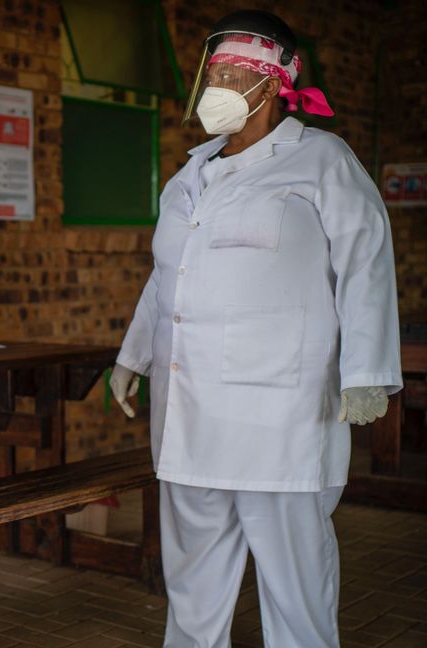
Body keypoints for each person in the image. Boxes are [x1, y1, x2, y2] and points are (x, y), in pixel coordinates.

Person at [109, 11, 402, 648]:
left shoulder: (321, 160)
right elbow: (167, 278)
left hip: (283, 419)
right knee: (192, 580)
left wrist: (368, 372)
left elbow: (367, 264)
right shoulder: (188, 177)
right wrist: (132, 358)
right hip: (189, 418)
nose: (216, 84)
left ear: (271, 84)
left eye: (232, 72)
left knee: (294, 581)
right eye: (211, 72)